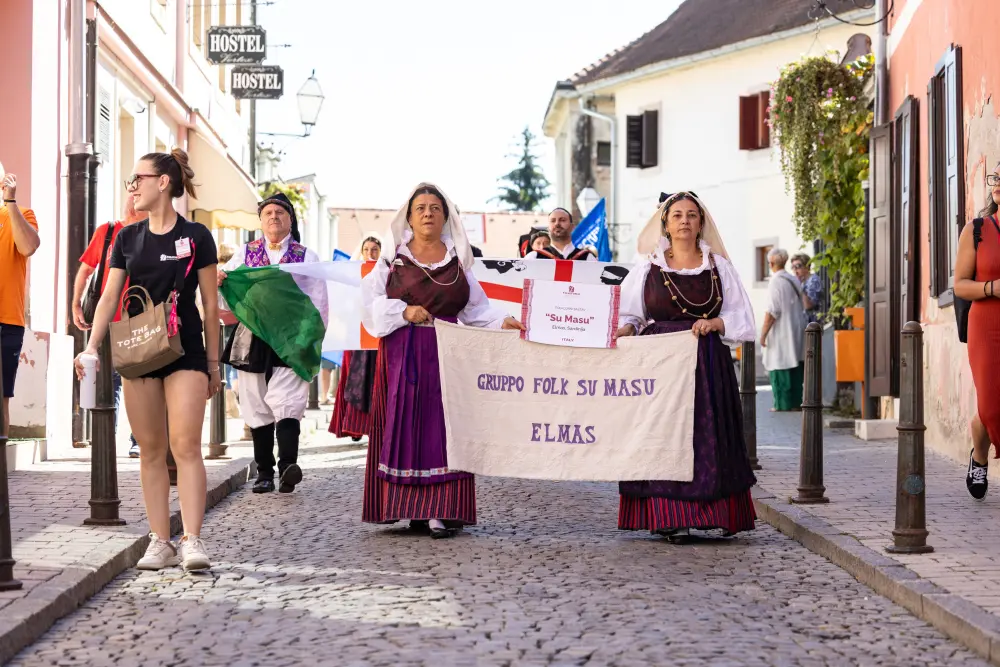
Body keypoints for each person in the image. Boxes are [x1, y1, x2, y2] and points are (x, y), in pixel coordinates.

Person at [73, 149, 219, 571]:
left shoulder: (196, 236)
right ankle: (160, 540)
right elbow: (108, 297)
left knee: (185, 445)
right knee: (152, 450)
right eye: (131, 180)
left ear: (164, 183)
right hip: (138, 350)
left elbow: (209, 306)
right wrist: (90, 345)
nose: (132, 186)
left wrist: (213, 366)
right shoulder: (126, 239)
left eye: (139, 178)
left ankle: (192, 539)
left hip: (186, 350)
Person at [361, 183, 523, 538]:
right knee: (405, 426)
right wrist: (404, 311)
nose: (428, 213)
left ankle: (440, 511)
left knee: (444, 429)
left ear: (446, 217)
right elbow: (369, 307)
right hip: (403, 354)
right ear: (409, 216)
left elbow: (477, 310)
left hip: (450, 355)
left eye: (435, 207)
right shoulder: (392, 261)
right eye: (420, 208)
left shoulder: (457, 262)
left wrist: (503, 321)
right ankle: (407, 508)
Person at [616, 191, 757, 539]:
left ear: (701, 223)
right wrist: (624, 329)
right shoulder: (648, 268)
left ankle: (715, 513)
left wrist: (716, 324)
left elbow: (741, 315)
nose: (684, 221)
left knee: (708, 437)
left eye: (691, 215)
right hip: (660, 362)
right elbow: (632, 314)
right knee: (664, 435)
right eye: (677, 215)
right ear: (665, 222)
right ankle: (668, 516)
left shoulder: (718, 267)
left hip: (707, 363)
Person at [220, 192, 324, 495]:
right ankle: (264, 472)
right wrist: (221, 280)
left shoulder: (306, 256)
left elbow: (319, 298)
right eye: (268, 213)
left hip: (292, 336)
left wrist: (312, 335)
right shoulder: (245, 252)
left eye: (280, 212)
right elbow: (230, 291)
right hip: (253, 336)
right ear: (261, 220)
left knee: (289, 400)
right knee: (255, 401)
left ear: (290, 219)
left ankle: (288, 466)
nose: (274, 217)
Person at [72, 197, 144, 458]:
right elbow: (86, 270)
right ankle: (107, 443)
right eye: (131, 193)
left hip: (140, 320)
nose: (133, 200)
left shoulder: (152, 234)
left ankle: (139, 439)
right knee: (110, 383)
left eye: (139, 193)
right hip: (106, 322)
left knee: (138, 380)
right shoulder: (108, 231)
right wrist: (76, 304)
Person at [956, 165, 1000, 499]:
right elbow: (960, 285)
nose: (997, 183)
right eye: (995, 177)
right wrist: (992, 288)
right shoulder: (978, 229)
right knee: (991, 403)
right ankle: (979, 455)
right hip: (986, 324)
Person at [0, 164, 40, 438]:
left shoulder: (20, 213)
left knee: (0, 399)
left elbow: (28, 247)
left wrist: (10, 202)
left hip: (5, 321)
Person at [329, 236, 382, 438]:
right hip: (357, 334)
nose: (370, 253)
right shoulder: (353, 274)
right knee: (355, 377)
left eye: (375, 249)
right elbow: (343, 302)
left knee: (375, 378)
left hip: (377, 333)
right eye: (367, 249)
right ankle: (354, 424)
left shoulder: (385, 273)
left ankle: (373, 425)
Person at [760, 248, 807, 412]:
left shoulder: (775, 281)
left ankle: (782, 404)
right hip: (796, 328)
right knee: (794, 365)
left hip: (781, 332)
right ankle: (795, 403)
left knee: (779, 364)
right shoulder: (793, 279)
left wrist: (763, 334)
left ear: (770, 263)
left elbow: (772, 311)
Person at [523, 208, 596, 260]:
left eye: (562, 220)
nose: (557, 223)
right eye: (553, 221)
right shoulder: (533, 258)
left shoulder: (588, 258)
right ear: (548, 228)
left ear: (572, 227)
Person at [791, 252, 823, 324]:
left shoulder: (813, 281)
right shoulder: (803, 281)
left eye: (798, 266)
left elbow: (808, 306)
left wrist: (798, 287)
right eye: (793, 267)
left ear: (807, 267)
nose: (795, 270)